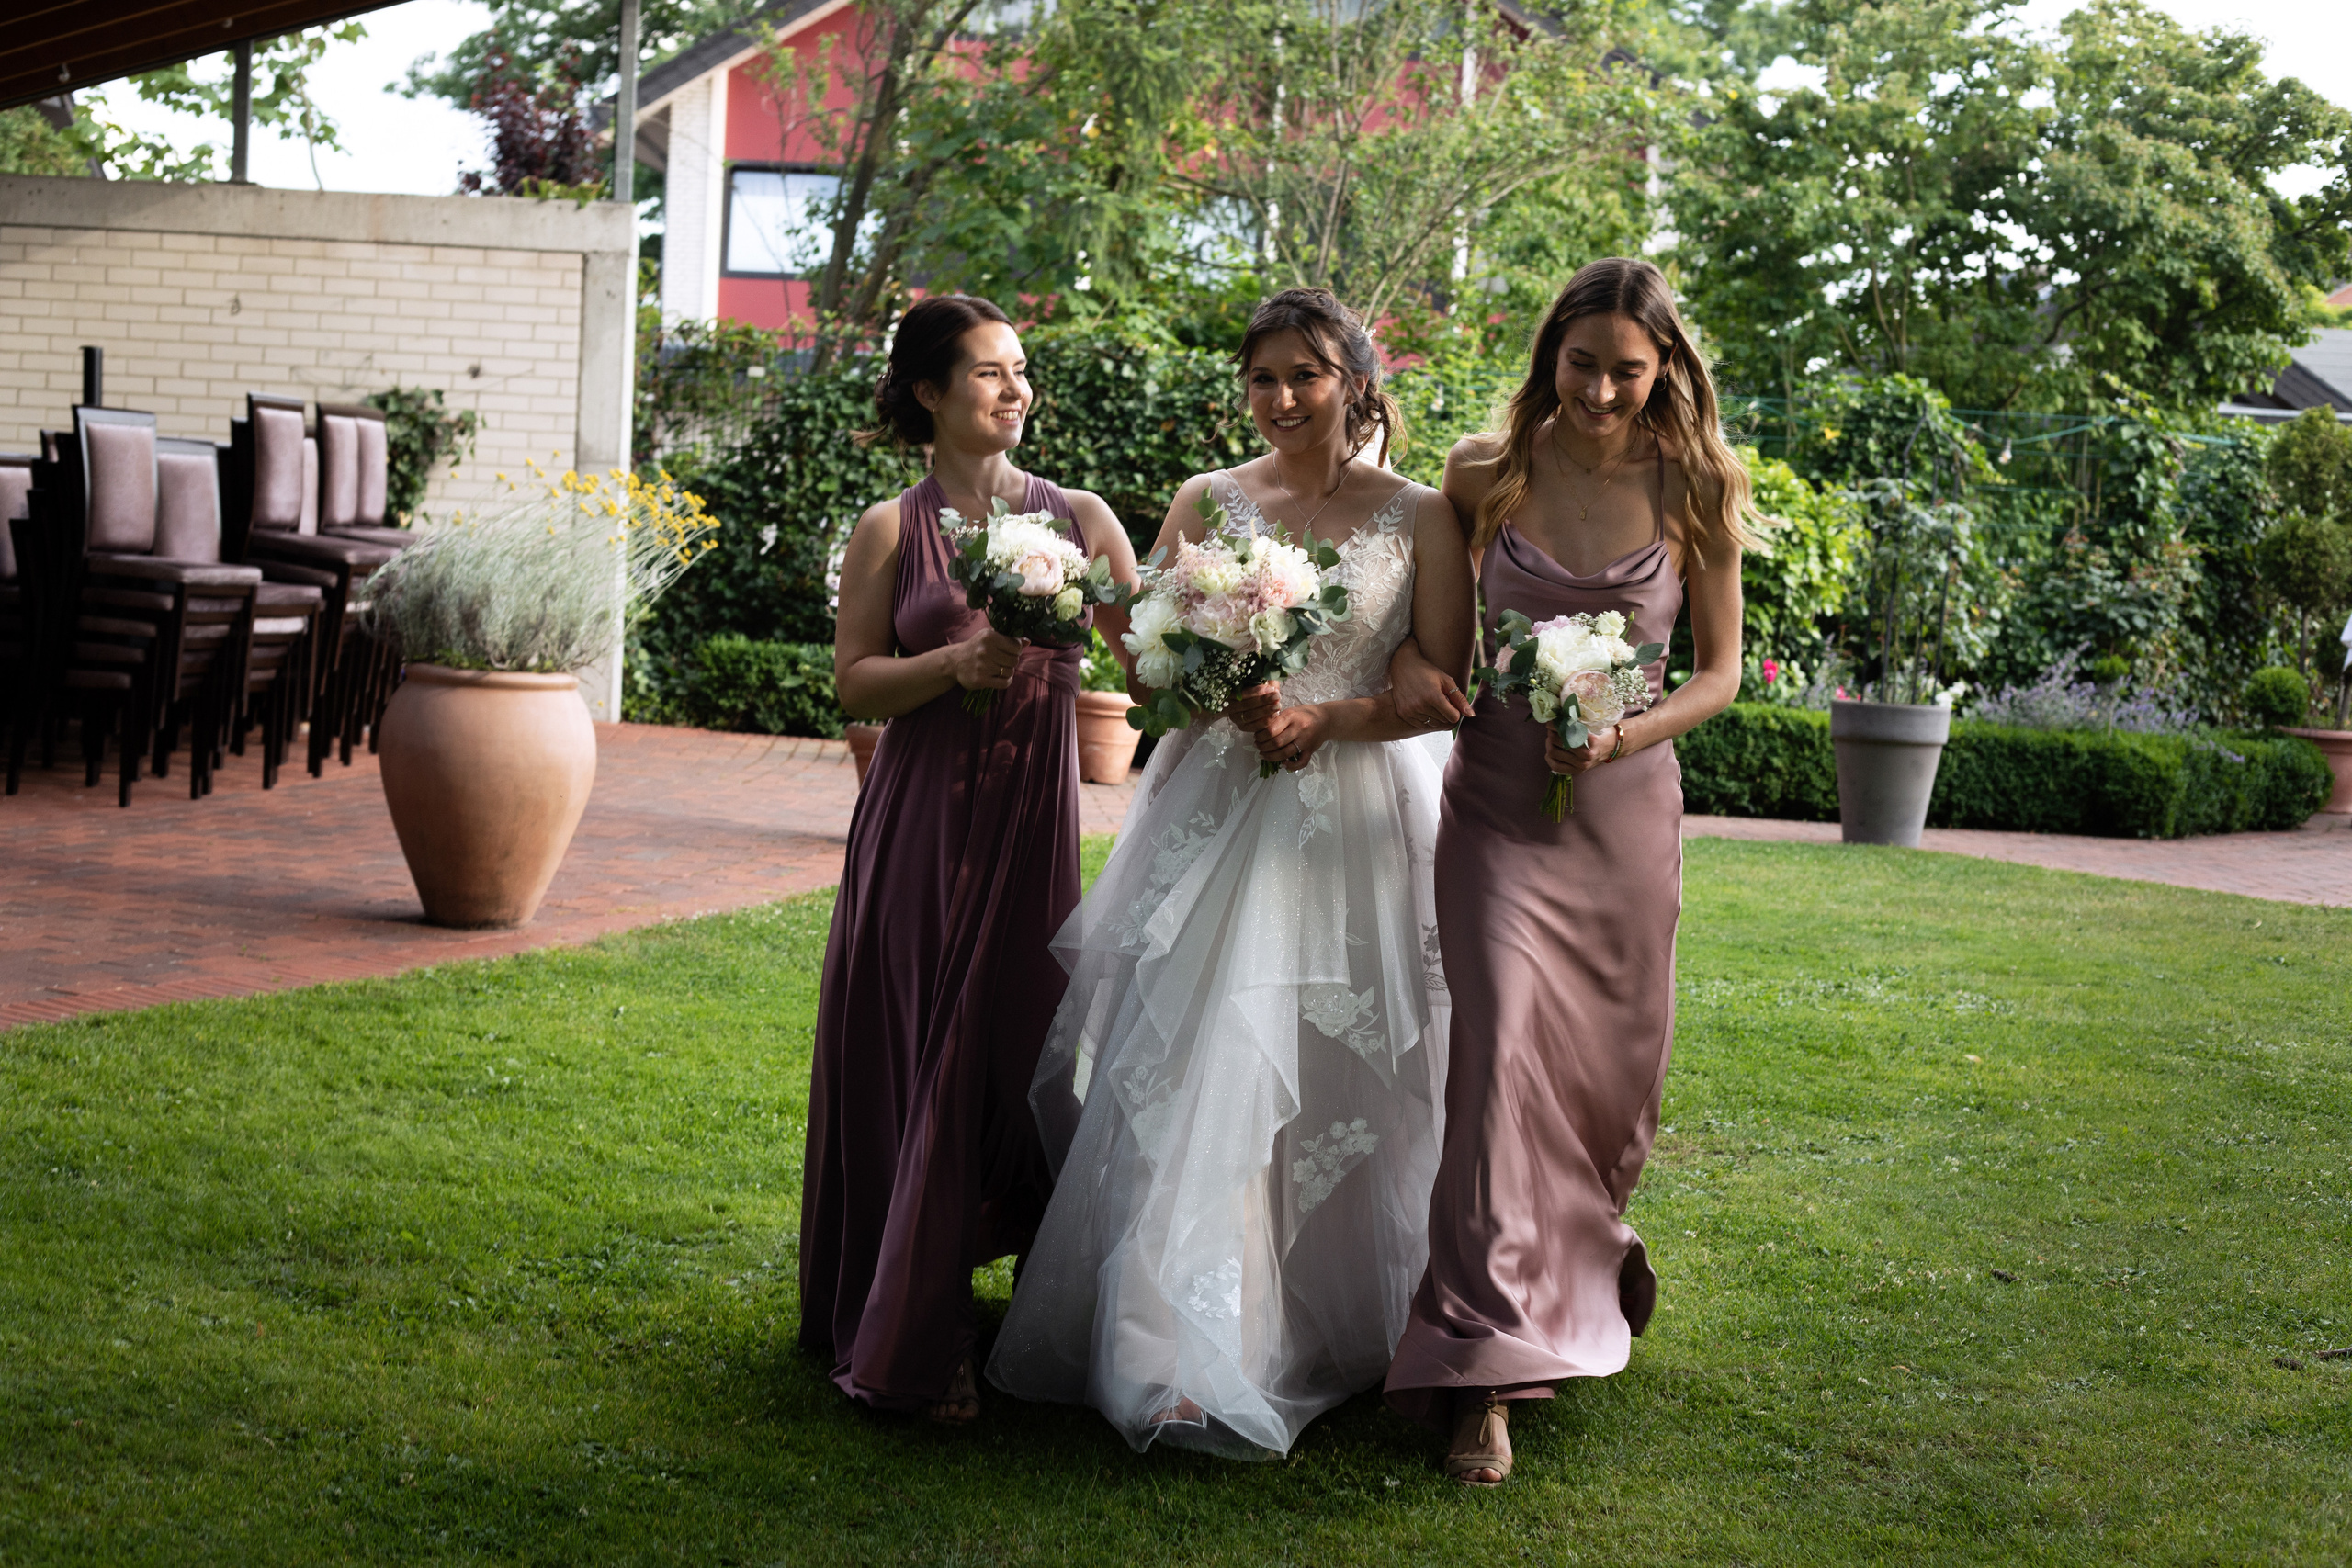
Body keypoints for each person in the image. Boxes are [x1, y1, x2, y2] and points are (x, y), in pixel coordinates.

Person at [987, 288, 1476, 1459]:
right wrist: (1209, 684)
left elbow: (1442, 687)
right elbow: (1154, 658)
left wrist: (1326, 721)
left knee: (1334, 1076)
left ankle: (1340, 1317)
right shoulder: (1209, 499)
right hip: (1215, 807)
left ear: (1354, 380)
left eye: (1305, 374)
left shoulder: (1420, 516)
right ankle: (1183, 1348)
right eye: (1262, 379)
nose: (1282, 398)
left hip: (1354, 815)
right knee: (1198, 1060)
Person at [1381, 257, 1756, 1483]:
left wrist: (1619, 733)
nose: (1599, 391)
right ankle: (1483, 1376)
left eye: (1626, 370)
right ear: (1551, 356)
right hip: (1494, 804)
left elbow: (1718, 671)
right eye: (1580, 364)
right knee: (1492, 1065)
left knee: (1601, 1090)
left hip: (1623, 818)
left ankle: (1585, 1254)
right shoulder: (1481, 472)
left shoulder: (1697, 482)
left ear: (1665, 372)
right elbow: (1430, 638)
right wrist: (1402, 679)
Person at [800, 293, 1139, 1425]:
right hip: (923, 828)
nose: (1013, 389)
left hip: (1031, 830)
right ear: (931, 393)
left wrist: (1241, 632)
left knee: (1020, 1053)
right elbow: (852, 682)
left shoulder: (1083, 516)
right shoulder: (888, 530)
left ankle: (1051, 1306)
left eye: (1020, 369)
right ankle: (922, 1329)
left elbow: (1149, 664)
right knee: (922, 1058)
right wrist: (957, 662)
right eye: (988, 373)